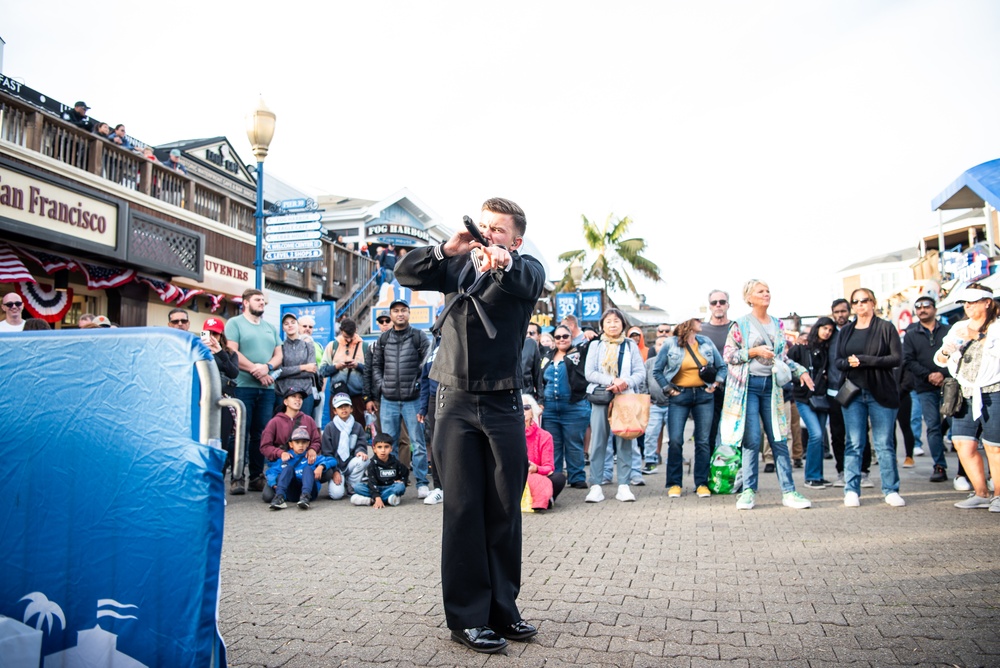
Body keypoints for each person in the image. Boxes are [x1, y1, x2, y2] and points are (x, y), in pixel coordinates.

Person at [395, 197, 544, 653]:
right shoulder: (457, 266)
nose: (486, 235)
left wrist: (505, 262)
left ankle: (503, 609)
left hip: (501, 402)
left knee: (503, 509)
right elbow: (407, 273)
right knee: (461, 509)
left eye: (497, 230)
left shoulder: (526, 268)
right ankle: (466, 618)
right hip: (453, 400)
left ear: (514, 238)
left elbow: (527, 278)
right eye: (482, 226)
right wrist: (446, 249)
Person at [719, 279, 814, 511]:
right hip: (747, 388)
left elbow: (782, 357)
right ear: (749, 297)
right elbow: (728, 355)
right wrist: (754, 351)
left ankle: (789, 491)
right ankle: (748, 491)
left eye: (768, 290)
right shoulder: (739, 325)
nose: (766, 294)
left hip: (772, 389)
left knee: (779, 439)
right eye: (760, 291)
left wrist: (800, 371)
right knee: (752, 440)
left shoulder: (779, 325)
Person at [835, 287, 905, 508]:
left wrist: (865, 360)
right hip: (853, 392)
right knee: (854, 443)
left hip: (881, 392)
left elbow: (896, 358)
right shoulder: (846, 331)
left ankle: (891, 490)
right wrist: (850, 363)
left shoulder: (885, 328)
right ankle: (851, 489)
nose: (859, 305)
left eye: (864, 301)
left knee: (884, 444)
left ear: (873, 303)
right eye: (855, 302)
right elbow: (838, 361)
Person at [934, 284, 1000, 512]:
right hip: (964, 392)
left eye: (973, 302)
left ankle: (999, 495)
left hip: (993, 390)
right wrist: (945, 352)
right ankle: (981, 492)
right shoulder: (959, 326)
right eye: (965, 303)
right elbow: (939, 360)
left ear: (987, 302)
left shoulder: (997, 326)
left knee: (995, 446)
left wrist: (978, 336)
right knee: (962, 442)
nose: (969, 307)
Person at [654, 317, 726, 499]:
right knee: (676, 440)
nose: (701, 322)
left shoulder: (706, 342)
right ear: (687, 324)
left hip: (704, 395)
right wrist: (668, 388)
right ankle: (675, 483)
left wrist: (716, 383)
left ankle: (701, 483)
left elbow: (722, 367)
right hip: (680, 394)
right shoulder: (670, 344)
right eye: (697, 320)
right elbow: (657, 370)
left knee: (703, 441)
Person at [583, 307, 645, 504]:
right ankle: (595, 485)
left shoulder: (629, 345)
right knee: (599, 440)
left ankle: (624, 485)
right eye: (608, 321)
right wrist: (613, 380)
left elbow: (640, 372)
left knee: (625, 439)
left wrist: (624, 383)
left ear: (623, 324)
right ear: (602, 325)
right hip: (601, 396)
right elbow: (590, 373)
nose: (612, 324)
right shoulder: (595, 346)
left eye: (616, 321)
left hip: (625, 397)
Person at [371, 299, 431, 499]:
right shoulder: (384, 339)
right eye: (396, 311)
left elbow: (427, 362)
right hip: (388, 399)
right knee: (389, 444)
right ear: (391, 314)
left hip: (412, 399)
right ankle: (393, 482)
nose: (400, 314)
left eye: (403, 310)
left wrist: (418, 383)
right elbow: (376, 365)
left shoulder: (419, 336)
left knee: (418, 443)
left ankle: (422, 482)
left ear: (408, 313)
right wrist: (382, 385)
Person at [225, 288, 283, 494]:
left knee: (261, 434)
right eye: (257, 300)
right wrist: (256, 370)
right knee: (239, 433)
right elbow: (232, 352)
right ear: (245, 302)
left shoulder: (270, 327)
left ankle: (256, 476)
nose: (262, 303)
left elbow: (279, 354)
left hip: (266, 390)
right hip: (242, 387)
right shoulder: (234, 323)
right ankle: (237, 477)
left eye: (263, 300)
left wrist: (267, 367)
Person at [903, 296, 954, 483]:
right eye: (918, 307)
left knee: (955, 426)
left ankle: (964, 471)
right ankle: (939, 466)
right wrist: (929, 375)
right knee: (932, 427)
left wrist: (941, 373)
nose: (922, 310)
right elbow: (908, 360)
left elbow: (956, 355)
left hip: (950, 385)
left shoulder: (949, 331)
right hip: (924, 387)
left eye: (926, 306)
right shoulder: (910, 335)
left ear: (934, 308)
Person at [539, 324, 591, 489]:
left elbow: (595, 343)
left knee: (574, 443)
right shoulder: (546, 357)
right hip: (549, 408)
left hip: (574, 406)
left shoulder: (579, 353)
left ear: (571, 338)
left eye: (565, 336)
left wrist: (591, 333)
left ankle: (577, 477)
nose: (562, 339)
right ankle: (556, 478)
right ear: (554, 340)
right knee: (553, 445)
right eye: (558, 337)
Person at [788, 316, 835, 488]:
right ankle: (811, 477)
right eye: (824, 328)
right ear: (818, 328)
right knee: (815, 434)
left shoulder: (828, 348)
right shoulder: (802, 347)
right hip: (804, 398)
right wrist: (798, 380)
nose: (827, 333)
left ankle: (818, 476)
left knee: (820, 436)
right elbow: (788, 365)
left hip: (822, 398)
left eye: (830, 330)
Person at [260, 388, 322, 502]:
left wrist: (313, 449)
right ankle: (284, 492)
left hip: (304, 463)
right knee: (267, 497)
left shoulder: (308, 420)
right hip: (282, 465)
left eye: (300, 398)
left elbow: (317, 441)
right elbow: (264, 447)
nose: (298, 400)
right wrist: (280, 453)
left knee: (326, 470)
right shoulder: (274, 422)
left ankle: (305, 492)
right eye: (294, 397)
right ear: (285, 402)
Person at [202, 317, 239, 475]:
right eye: (208, 333)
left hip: (222, 400)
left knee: (222, 442)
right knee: (202, 442)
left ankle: (219, 484)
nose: (211, 337)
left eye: (215, 334)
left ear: (221, 335)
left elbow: (234, 372)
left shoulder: (229, 353)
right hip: (202, 401)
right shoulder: (196, 349)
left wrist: (219, 352)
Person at [267, 426, 335, 510]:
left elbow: (332, 460)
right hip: (292, 492)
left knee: (307, 468)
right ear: (291, 444)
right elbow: (271, 472)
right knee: (288, 468)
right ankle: (279, 498)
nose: (301, 445)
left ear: (308, 444)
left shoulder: (311, 456)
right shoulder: (286, 457)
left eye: (304, 442)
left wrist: (322, 466)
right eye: (297, 442)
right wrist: (273, 483)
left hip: (310, 492)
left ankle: (305, 498)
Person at [321, 393, 370, 500]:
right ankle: (341, 480)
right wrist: (334, 471)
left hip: (350, 463)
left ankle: (352, 484)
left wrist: (360, 450)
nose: (343, 409)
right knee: (336, 495)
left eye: (346, 406)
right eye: (340, 407)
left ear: (351, 408)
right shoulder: (329, 428)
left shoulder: (357, 426)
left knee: (363, 459)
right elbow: (326, 453)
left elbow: (361, 443)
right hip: (336, 465)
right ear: (335, 411)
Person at [320, 317, 367, 425]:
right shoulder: (332, 346)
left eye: (351, 337)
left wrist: (357, 366)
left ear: (356, 330)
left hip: (358, 398)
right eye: (346, 337)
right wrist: (336, 367)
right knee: (337, 432)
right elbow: (322, 371)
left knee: (358, 431)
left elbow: (371, 371)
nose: (349, 340)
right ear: (341, 332)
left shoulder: (364, 346)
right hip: (337, 396)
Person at [522, 394, 566, 510]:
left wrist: (536, 468)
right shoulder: (509, 435)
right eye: (519, 407)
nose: (523, 411)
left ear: (533, 411)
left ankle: (542, 500)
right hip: (516, 477)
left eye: (526, 407)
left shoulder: (545, 436)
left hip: (537, 474)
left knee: (559, 478)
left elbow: (549, 467)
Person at [702, 290, 733, 447]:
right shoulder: (701, 330)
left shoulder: (736, 328)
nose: (718, 305)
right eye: (714, 302)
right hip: (709, 386)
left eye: (722, 302)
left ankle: (732, 466)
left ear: (728, 305)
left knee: (732, 431)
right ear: (710, 306)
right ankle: (710, 468)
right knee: (709, 431)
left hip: (734, 386)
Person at [274, 312, 319, 417]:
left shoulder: (309, 346)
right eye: (286, 323)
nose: (290, 325)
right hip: (283, 394)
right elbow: (279, 372)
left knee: (304, 428)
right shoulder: (280, 347)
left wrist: (288, 372)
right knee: (284, 429)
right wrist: (303, 367)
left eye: (293, 322)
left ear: (297, 326)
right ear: (283, 328)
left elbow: (311, 372)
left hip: (305, 394)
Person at [417, 336, 444, 504]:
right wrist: (423, 407)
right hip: (434, 399)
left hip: (454, 397)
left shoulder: (457, 339)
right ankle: (439, 487)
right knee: (436, 443)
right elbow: (425, 379)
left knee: (455, 444)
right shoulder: (433, 346)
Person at [351, 432, 409, 508]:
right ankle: (387, 499)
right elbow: (372, 482)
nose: (383, 450)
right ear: (374, 449)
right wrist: (377, 496)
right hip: (376, 487)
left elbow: (405, 472)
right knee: (357, 487)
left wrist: (403, 481)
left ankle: (370, 500)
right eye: (379, 447)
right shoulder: (372, 464)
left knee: (400, 487)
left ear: (391, 448)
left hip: (390, 487)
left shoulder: (396, 463)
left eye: (386, 447)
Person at [642, 336, 670, 473]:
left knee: (674, 436)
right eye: (659, 344)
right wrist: (647, 398)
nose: (662, 346)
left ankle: (673, 460)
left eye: (665, 343)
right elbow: (643, 382)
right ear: (655, 347)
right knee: (651, 434)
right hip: (655, 405)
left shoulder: (676, 362)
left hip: (673, 405)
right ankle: (650, 461)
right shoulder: (649, 363)